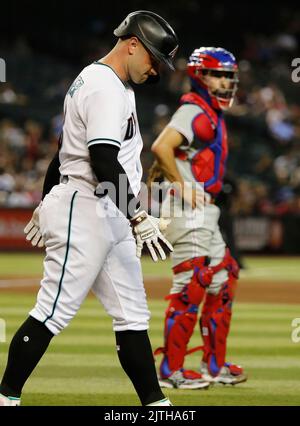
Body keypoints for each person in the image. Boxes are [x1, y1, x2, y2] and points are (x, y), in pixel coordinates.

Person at [0, 10, 178, 407]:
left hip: (105, 210)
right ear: (133, 44)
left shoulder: (110, 82)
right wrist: (137, 215)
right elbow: (101, 160)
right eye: (153, 59)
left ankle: (156, 404)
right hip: (87, 209)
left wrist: (47, 196)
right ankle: (6, 397)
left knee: (132, 315)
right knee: (52, 312)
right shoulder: (103, 87)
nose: (155, 72)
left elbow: (64, 152)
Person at [149, 47, 247, 389]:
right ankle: (170, 372)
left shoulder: (209, 113)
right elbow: (161, 146)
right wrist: (183, 185)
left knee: (224, 277)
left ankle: (214, 366)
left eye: (229, 77)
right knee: (191, 286)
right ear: (201, 76)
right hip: (187, 209)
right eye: (220, 75)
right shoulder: (194, 110)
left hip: (203, 209)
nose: (226, 82)